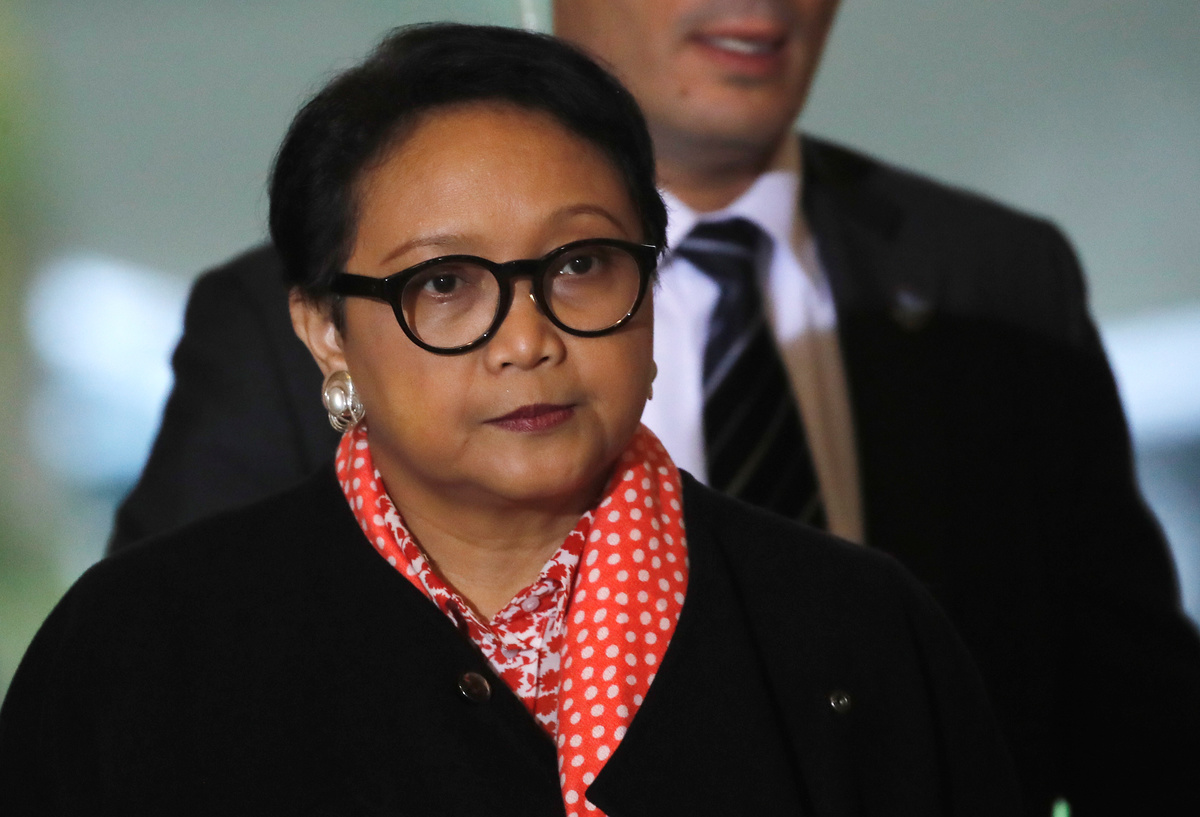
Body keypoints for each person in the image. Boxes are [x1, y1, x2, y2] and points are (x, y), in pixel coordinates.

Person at [107, 2, 1200, 813]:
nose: (526, 338)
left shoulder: (863, 621)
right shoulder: (153, 647)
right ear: (324, 330)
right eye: (445, 285)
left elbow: (1138, 726)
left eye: (582, 265)